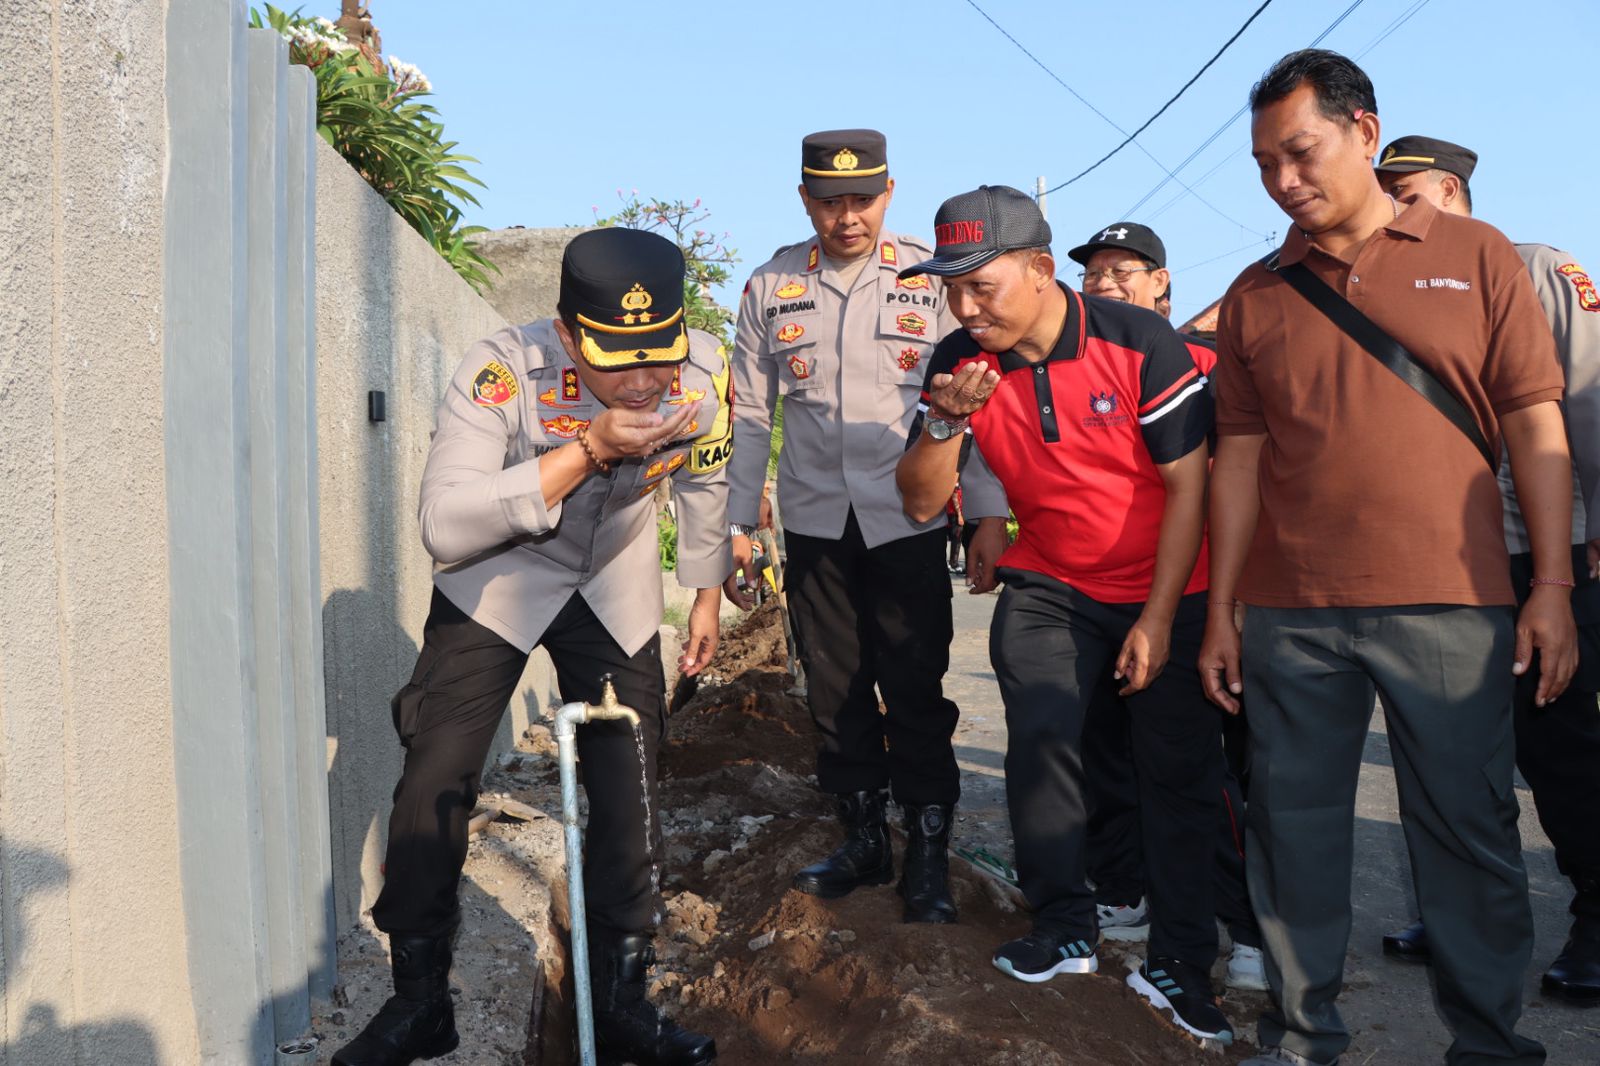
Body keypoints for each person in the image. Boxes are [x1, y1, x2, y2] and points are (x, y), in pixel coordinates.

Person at [1201, 50, 1578, 1066]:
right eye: (1263, 162)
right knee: (1293, 831)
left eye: (1301, 151)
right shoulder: (1255, 293)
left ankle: (1488, 1044)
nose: (1282, 179)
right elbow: (1234, 461)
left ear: (1363, 133)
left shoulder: (1479, 253)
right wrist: (1222, 608)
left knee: (1467, 832)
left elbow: (1535, 425)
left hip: (1453, 601)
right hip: (1290, 611)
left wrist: (1549, 584)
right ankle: (1301, 1036)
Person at [333, 228, 730, 1066]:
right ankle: (419, 1001)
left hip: (613, 581)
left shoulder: (701, 367)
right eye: (618, 357)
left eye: (658, 352)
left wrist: (704, 594)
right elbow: (443, 523)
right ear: (566, 326)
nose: (645, 378)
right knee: (434, 778)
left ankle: (622, 1000)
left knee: (630, 781)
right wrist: (585, 452)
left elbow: (705, 480)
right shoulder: (500, 371)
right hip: (501, 579)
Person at [895, 185, 1233, 1045]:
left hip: (1171, 581)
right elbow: (916, 500)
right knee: (1044, 741)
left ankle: (1185, 961)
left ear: (1043, 271)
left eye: (983, 287)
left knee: (1176, 773)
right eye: (952, 290)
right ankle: (1063, 924)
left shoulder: (1141, 342)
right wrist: (945, 422)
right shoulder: (958, 363)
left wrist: (1158, 618)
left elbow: (1191, 485)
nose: (965, 310)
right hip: (1052, 580)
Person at [725, 129, 993, 924]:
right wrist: (741, 524)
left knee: (914, 685)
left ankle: (929, 854)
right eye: (830, 200)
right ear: (805, 199)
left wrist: (985, 511)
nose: (848, 216)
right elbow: (747, 414)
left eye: (863, 199)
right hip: (813, 523)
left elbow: (978, 399)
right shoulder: (772, 284)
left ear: (889, 192)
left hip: (908, 518)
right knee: (835, 690)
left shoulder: (932, 278)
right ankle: (864, 840)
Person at [1373, 134, 1600, 1006]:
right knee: (1450, 750)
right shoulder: (1376, 278)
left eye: (1404, 190)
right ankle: (1464, 909)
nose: (1390, 205)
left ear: (1449, 187)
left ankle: (1595, 913)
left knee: (1558, 743)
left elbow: (1586, 395)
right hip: (1434, 556)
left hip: (1541, 550)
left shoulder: (1534, 265)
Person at [1066, 221, 1265, 993]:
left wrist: (1241, 593)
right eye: (1096, 273)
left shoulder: (1209, 361)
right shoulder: (1085, 361)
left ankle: (1244, 923)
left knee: (1204, 771)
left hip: (1204, 593)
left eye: (1125, 270)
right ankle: (1126, 889)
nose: (1108, 283)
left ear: (1163, 283)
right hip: (1106, 591)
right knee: (1108, 753)